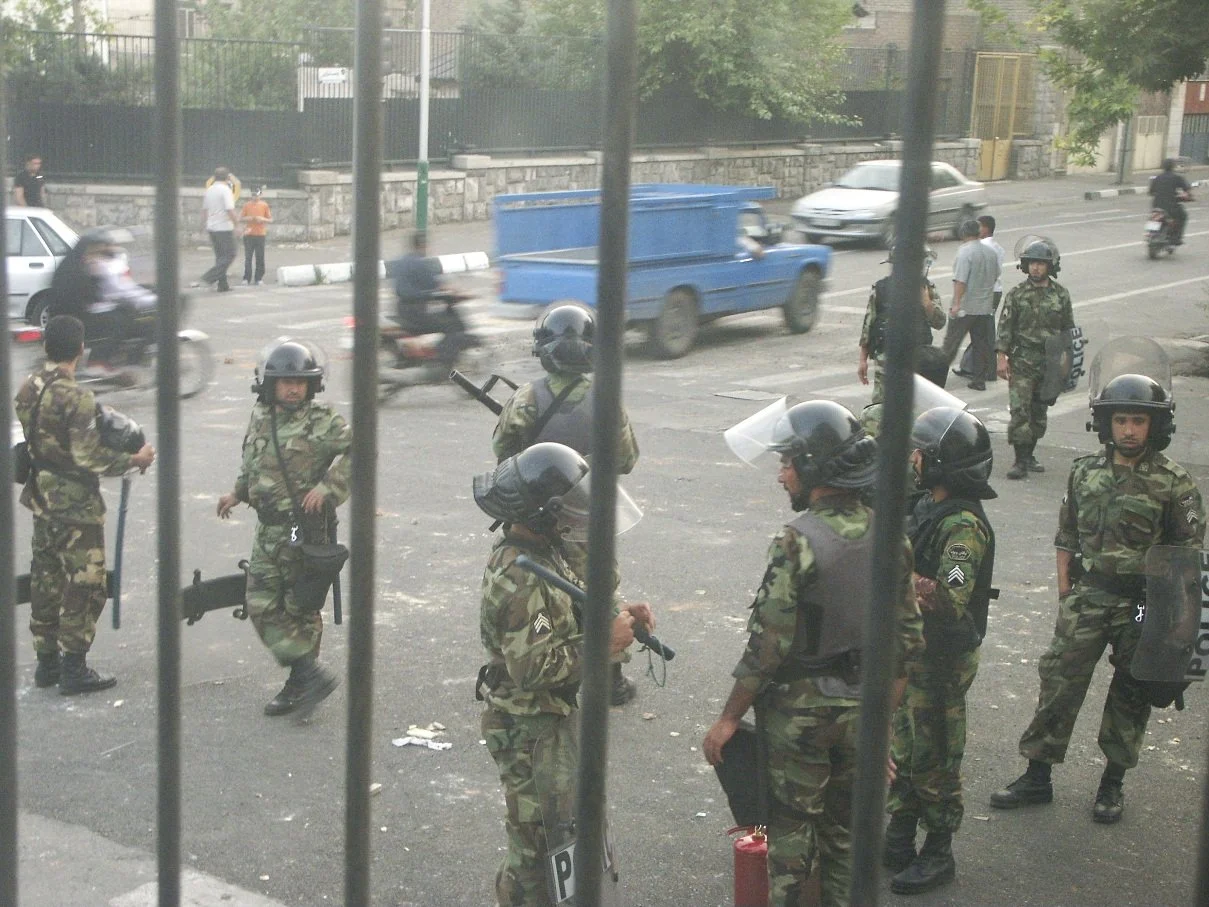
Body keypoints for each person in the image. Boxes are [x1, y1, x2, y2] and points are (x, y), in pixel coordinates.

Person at [704, 400, 924, 907]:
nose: (782, 475)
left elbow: (768, 645)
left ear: (814, 468)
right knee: (844, 838)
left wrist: (728, 719)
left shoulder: (796, 542)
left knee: (790, 839)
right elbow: (907, 646)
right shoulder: (892, 537)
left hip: (800, 720)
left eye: (788, 463)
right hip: (862, 710)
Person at [990, 372, 1204, 824]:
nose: (1129, 430)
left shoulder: (1174, 483)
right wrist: (1067, 592)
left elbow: (1188, 561)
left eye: (1139, 422)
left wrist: (1176, 631)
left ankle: (1112, 783)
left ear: (1155, 427)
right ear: (1106, 424)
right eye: (1121, 420)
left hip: (1143, 602)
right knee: (1059, 682)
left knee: (1131, 691)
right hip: (1090, 594)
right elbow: (1066, 536)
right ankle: (1037, 774)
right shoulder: (1084, 472)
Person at [475, 441, 654, 906]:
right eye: (568, 510)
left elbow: (574, 606)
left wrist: (619, 617)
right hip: (526, 727)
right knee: (534, 848)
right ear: (542, 513)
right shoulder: (520, 577)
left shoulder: (546, 552)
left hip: (549, 720)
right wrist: (603, 644)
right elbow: (534, 668)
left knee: (559, 835)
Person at [492, 303, 642, 705]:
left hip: (538, 513)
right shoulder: (606, 398)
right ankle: (611, 677)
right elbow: (626, 459)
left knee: (542, 590)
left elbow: (503, 454)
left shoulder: (526, 397)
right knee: (599, 587)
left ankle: (547, 664)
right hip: (590, 515)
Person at [885, 407, 996, 895]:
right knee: (906, 746)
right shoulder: (926, 504)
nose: (911, 460)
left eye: (919, 454)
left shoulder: (964, 527)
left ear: (940, 463)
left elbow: (952, 596)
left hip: (943, 659)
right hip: (914, 652)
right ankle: (901, 834)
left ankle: (939, 851)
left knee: (937, 756)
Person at [15, 315, 156, 694]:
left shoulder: (31, 386)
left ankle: (46, 664)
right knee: (86, 584)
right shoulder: (76, 397)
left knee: (46, 580)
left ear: (46, 346)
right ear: (81, 348)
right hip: (76, 506)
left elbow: (31, 434)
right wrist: (134, 460)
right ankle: (74, 667)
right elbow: (87, 456)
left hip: (41, 497)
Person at [216, 339, 351, 718]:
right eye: (286, 381)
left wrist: (329, 488)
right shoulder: (261, 416)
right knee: (259, 603)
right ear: (269, 384)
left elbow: (361, 448)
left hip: (303, 531)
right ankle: (308, 674)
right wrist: (237, 493)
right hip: (268, 529)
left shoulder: (321, 421)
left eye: (301, 382)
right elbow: (254, 461)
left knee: (300, 608)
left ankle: (298, 684)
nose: (293, 389)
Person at [995, 239, 1074, 480]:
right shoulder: (1017, 294)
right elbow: (1005, 327)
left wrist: (1067, 362)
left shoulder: (1060, 295)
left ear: (1049, 267)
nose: (1036, 268)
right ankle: (1019, 460)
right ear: (1025, 266)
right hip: (1022, 361)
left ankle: (1030, 454)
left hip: (1049, 362)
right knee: (1020, 411)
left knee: (1039, 413)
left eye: (1041, 264)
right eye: (1032, 264)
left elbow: (1067, 330)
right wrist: (1001, 357)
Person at [48, 229, 156, 364]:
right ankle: (98, 361)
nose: (97, 255)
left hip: (75, 315)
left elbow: (102, 294)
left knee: (121, 314)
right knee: (119, 321)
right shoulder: (75, 269)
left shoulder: (79, 263)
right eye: (95, 251)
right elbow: (91, 297)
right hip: (71, 319)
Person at [858, 248, 946, 404]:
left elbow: (939, 322)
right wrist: (863, 360)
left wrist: (926, 303)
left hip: (917, 359)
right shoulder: (881, 288)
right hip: (886, 359)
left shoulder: (926, 288)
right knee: (881, 406)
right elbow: (869, 324)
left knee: (914, 404)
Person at [390, 231, 475, 372]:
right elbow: (438, 286)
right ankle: (440, 361)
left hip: (402, 310)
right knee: (452, 327)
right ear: (422, 246)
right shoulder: (419, 264)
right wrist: (460, 294)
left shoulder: (402, 261)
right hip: (415, 313)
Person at [940, 220, 999, 392]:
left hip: (966, 306)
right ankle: (979, 379)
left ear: (963, 233)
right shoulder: (990, 252)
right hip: (984, 306)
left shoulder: (965, 252)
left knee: (951, 344)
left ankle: (937, 377)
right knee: (980, 345)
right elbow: (996, 276)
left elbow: (960, 280)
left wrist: (956, 304)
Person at [196, 165, 239, 293]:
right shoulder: (225, 190)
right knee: (230, 254)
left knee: (220, 256)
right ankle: (209, 277)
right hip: (223, 227)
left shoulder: (210, 190)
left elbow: (204, 210)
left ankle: (223, 284)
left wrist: (202, 225)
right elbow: (229, 209)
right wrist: (237, 225)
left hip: (212, 227)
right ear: (227, 177)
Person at [1148, 158, 1192, 244]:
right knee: (1183, 216)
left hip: (1156, 205)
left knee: (1153, 218)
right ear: (1173, 167)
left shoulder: (1157, 178)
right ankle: (1176, 238)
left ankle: (1151, 234)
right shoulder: (1177, 178)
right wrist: (1187, 196)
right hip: (1171, 206)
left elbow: (1151, 192)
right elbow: (1186, 190)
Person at [240, 186, 273, 286]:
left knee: (260, 257)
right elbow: (241, 218)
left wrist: (262, 219)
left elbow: (270, 219)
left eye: (256, 195)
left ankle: (259, 278)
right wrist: (249, 218)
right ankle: (246, 277)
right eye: (253, 195)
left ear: (260, 195)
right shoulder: (247, 205)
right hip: (249, 234)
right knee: (248, 257)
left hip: (260, 234)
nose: (255, 197)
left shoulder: (264, 205)